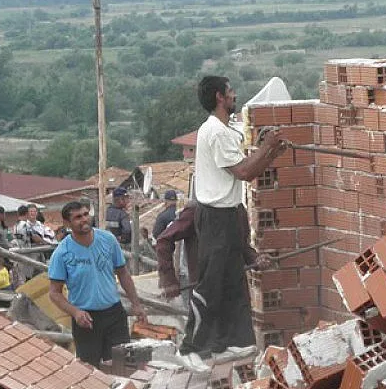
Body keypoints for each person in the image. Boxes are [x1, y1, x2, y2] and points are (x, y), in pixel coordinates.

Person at [188, 75, 288, 365]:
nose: (234, 95)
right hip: (215, 217)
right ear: (219, 97)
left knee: (233, 278)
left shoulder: (226, 130)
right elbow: (244, 172)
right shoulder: (216, 132)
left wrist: (270, 153)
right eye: (230, 91)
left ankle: (236, 343)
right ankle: (192, 348)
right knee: (210, 283)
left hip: (230, 213)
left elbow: (249, 167)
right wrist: (267, 146)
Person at [158, 201, 271, 354]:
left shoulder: (237, 210)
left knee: (242, 353)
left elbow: (242, 246)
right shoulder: (197, 210)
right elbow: (164, 240)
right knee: (206, 355)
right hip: (207, 295)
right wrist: (169, 279)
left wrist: (255, 259)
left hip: (235, 297)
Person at [48, 201, 147, 367]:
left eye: (86, 214)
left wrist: (136, 304)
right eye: (78, 217)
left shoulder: (108, 240)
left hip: (114, 314)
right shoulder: (61, 253)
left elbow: (123, 273)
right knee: (90, 369)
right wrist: (75, 312)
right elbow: (54, 293)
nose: (84, 219)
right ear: (67, 223)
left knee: (123, 365)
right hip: (86, 320)